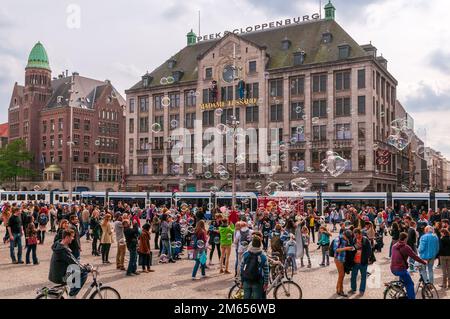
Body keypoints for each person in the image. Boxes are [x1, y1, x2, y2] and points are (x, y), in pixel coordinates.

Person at [48, 229, 89, 298]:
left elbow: (73, 260)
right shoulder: (63, 250)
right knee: (84, 273)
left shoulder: (58, 244)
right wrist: (86, 268)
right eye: (72, 237)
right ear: (67, 237)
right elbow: (74, 263)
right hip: (61, 277)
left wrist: (82, 265)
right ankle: (72, 295)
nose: (73, 238)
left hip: (55, 274)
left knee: (77, 271)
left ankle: (72, 290)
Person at [391, 232, 426, 299]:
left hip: (393, 268)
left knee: (404, 281)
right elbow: (414, 256)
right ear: (405, 239)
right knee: (410, 284)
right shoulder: (406, 247)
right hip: (400, 269)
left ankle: (402, 292)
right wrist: (423, 262)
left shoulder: (394, 246)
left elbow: (396, 257)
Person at [349, 228, 372, 296]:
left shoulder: (365, 239)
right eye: (354, 235)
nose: (355, 236)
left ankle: (362, 290)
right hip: (355, 262)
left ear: (360, 234)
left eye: (356, 235)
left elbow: (369, 250)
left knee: (363, 277)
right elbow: (352, 248)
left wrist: (366, 258)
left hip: (363, 262)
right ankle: (353, 289)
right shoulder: (354, 239)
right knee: (353, 276)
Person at [333, 230, 354, 297]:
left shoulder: (345, 238)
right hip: (338, 259)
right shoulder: (337, 239)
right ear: (344, 235)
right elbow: (336, 249)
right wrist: (346, 248)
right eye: (347, 238)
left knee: (341, 275)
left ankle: (338, 289)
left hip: (343, 259)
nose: (347, 239)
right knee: (341, 275)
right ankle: (340, 290)